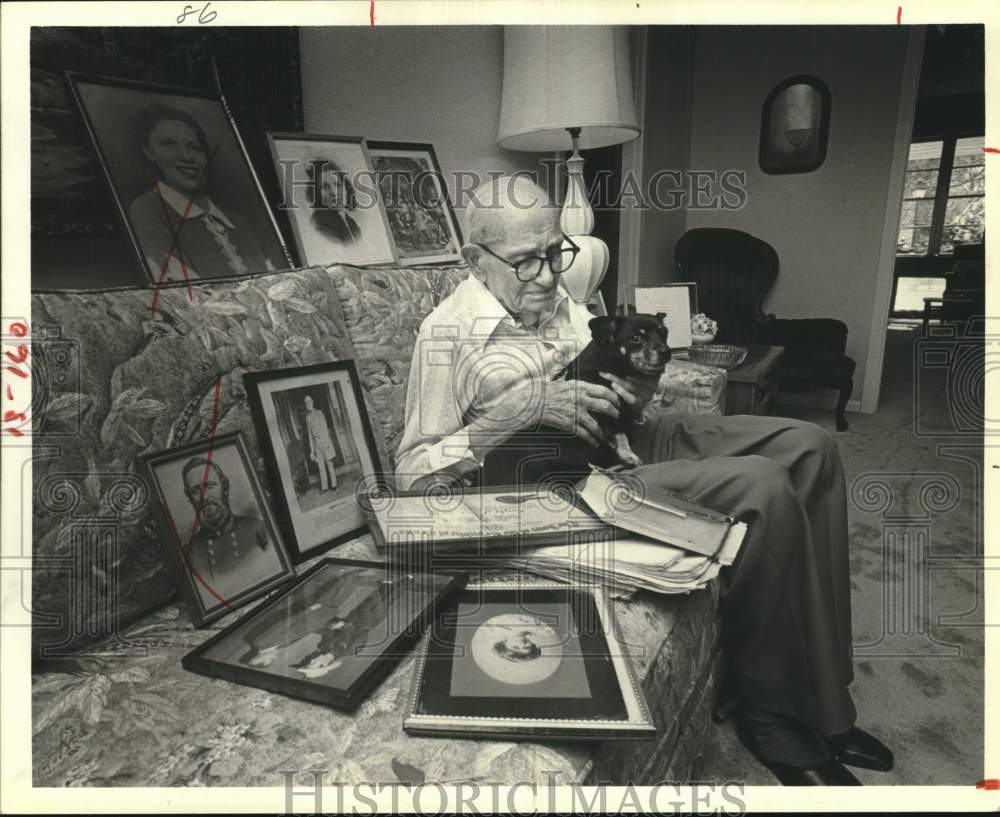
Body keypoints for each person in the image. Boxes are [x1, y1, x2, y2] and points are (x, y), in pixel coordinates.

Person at [395, 175, 894, 786]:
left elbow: (611, 367)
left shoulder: (556, 297)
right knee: (761, 486)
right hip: (563, 481)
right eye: (528, 263)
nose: (550, 278)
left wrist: (637, 386)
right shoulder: (444, 337)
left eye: (556, 253)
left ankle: (826, 701)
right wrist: (515, 412)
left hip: (621, 436)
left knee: (810, 445)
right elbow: (412, 477)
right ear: (476, 260)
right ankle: (776, 717)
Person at [127, 103, 279, 281]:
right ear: (148, 152)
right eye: (168, 144)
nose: (186, 156)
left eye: (194, 147)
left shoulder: (237, 222)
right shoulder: (146, 209)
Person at [181, 456, 279, 604]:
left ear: (225, 487)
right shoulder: (190, 552)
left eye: (209, 485)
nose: (204, 496)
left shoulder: (258, 528)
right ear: (190, 498)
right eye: (195, 490)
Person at [306, 159, 362, 245]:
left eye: (338, 185)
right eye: (325, 187)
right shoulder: (319, 224)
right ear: (317, 193)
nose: (334, 192)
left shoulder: (351, 222)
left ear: (346, 188)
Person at [303, 395, 339, 492]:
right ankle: (325, 487)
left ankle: (334, 484)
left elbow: (325, 429)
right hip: (315, 443)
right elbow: (309, 434)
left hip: (324, 441)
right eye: (306, 403)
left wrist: (327, 443)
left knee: (329, 462)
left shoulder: (320, 413)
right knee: (320, 465)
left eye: (309, 402)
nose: (308, 404)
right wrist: (312, 450)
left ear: (312, 402)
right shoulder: (307, 417)